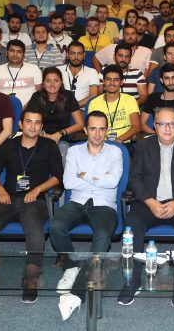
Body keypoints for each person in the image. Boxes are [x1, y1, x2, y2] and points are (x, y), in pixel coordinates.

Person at [0, 106, 62, 304]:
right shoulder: (8, 145)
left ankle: (31, 276)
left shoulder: (49, 146)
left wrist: (38, 189)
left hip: (35, 200)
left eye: (37, 123)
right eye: (29, 122)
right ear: (20, 124)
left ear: (41, 126)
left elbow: (58, 176)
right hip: (8, 197)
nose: (33, 126)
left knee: (33, 225)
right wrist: (0, 189)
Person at [118, 107, 174, 307]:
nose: (167, 128)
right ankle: (132, 281)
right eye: (162, 124)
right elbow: (135, 179)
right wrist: (150, 201)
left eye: (172, 124)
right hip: (150, 202)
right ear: (154, 126)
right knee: (132, 223)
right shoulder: (143, 146)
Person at [50, 111, 123, 320]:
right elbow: (68, 182)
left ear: (107, 130)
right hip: (77, 201)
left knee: (102, 235)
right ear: (85, 130)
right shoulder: (74, 151)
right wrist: (99, 177)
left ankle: (80, 289)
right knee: (56, 226)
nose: (97, 133)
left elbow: (113, 181)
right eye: (93, 128)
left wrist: (84, 175)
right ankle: (72, 266)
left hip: (104, 205)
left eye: (101, 129)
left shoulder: (115, 152)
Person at [26, 67, 84, 161]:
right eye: (48, 81)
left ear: (61, 83)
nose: (52, 84)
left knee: (62, 156)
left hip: (61, 138)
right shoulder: (37, 97)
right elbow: (27, 121)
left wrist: (60, 133)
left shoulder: (68, 96)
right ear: (43, 83)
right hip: (38, 137)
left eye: (56, 81)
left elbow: (80, 124)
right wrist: (41, 134)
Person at [87, 65, 141, 143]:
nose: (112, 83)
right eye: (108, 79)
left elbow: (136, 127)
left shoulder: (130, 100)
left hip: (123, 142)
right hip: (101, 143)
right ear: (103, 81)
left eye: (116, 80)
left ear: (121, 82)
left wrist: (119, 140)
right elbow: (91, 128)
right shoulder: (94, 103)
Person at [0, 39, 43, 106]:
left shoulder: (34, 69)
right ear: (6, 53)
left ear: (24, 54)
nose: (15, 54)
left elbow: (39, 94)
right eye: (12, 51)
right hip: (3, 109)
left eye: (19, 52)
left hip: (30, 109)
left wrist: (27, 107)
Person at [58, 41, 101, 108]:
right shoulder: (58, 70)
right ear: (67, 55)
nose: (76, 57)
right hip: (61, 108)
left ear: (84, 55)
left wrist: (72, 107)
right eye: (73, 53)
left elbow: (93, 96)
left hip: (82, 109)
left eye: (79, 53)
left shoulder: (92, 72)